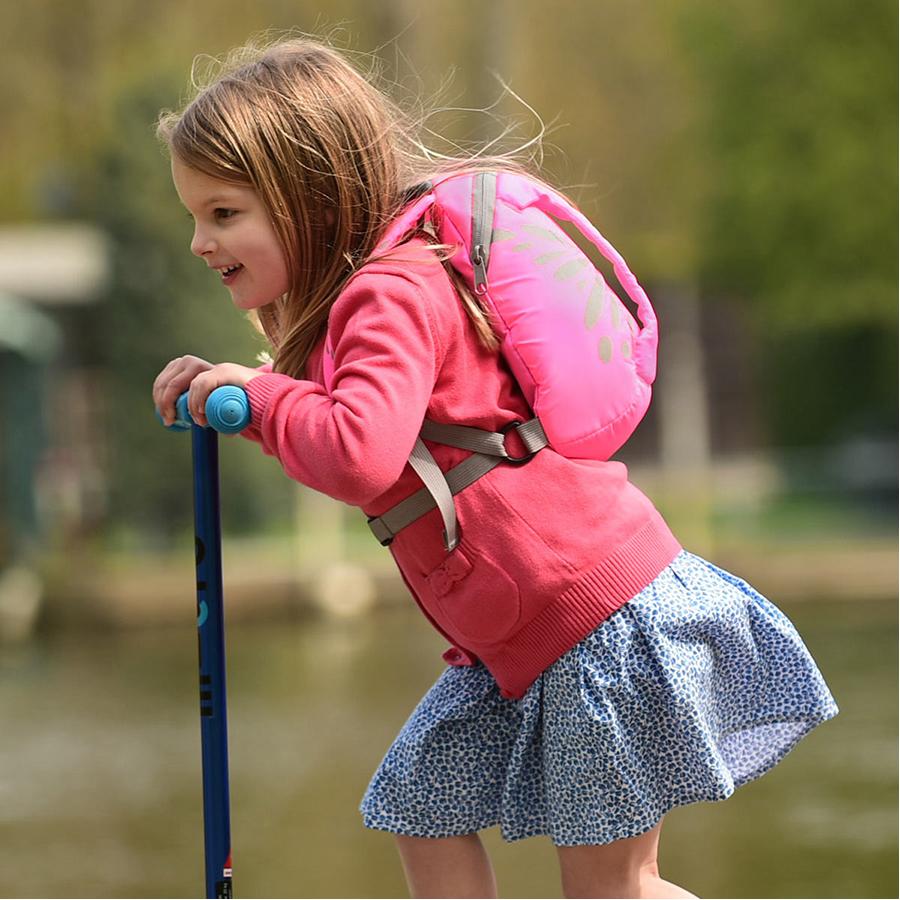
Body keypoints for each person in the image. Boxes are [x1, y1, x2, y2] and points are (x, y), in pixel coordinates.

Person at [152, 35, 839, 899]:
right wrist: (250, 403)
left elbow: (359, 455)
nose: (197, 242)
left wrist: (256, 401)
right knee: (420, 809)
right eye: (195, 216)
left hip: (591, 621)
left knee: (614, 889)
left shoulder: (389, 292)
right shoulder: (376, 298)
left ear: (309, 200)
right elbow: (357, 433)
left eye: (222, 214)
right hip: (515, 638)